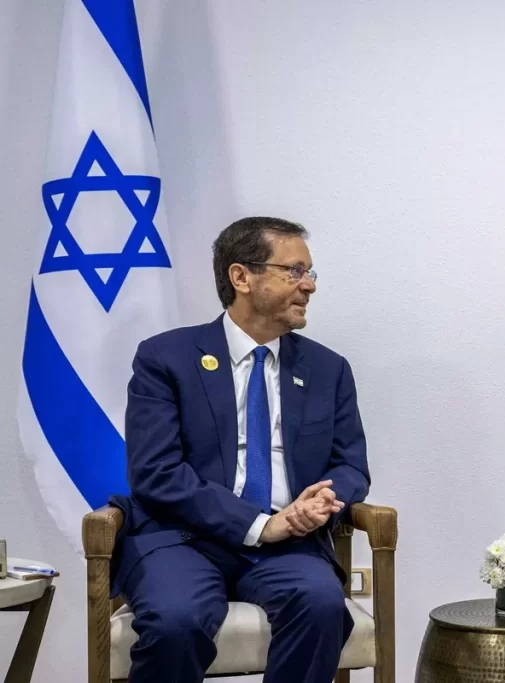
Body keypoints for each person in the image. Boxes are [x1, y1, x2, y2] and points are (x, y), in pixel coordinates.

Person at [111, 216, 370, 683]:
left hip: (290, 543)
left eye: (310, 273)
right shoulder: (165, 358)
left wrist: (322, 501)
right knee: (176, 621)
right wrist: (259, 525)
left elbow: (350, 465)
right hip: (182, 538)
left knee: (321, 605)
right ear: (241, 277)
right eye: (294, 271)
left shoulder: (328, 369)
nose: (309, 285)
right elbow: (155, 472)